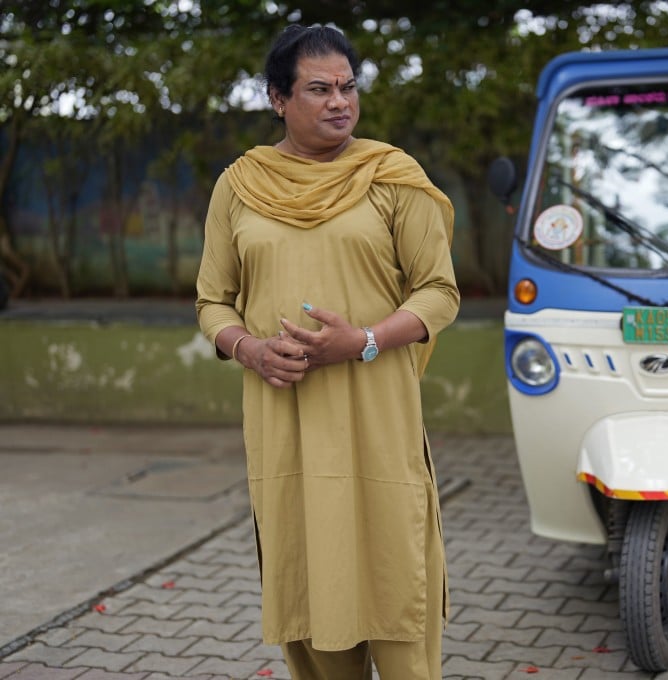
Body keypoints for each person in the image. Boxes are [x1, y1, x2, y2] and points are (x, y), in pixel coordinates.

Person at [195, 23, 459, 680]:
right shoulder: (240, 185)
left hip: (376, 417)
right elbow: (212, 302)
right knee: (310, 589)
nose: (340, 102)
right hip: (286, 425)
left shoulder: (391, 177)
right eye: (319, 89)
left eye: (348, 87)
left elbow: (439, 292)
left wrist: (363, 341)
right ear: (278, 98)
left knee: (396, 589)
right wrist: (249, 349)